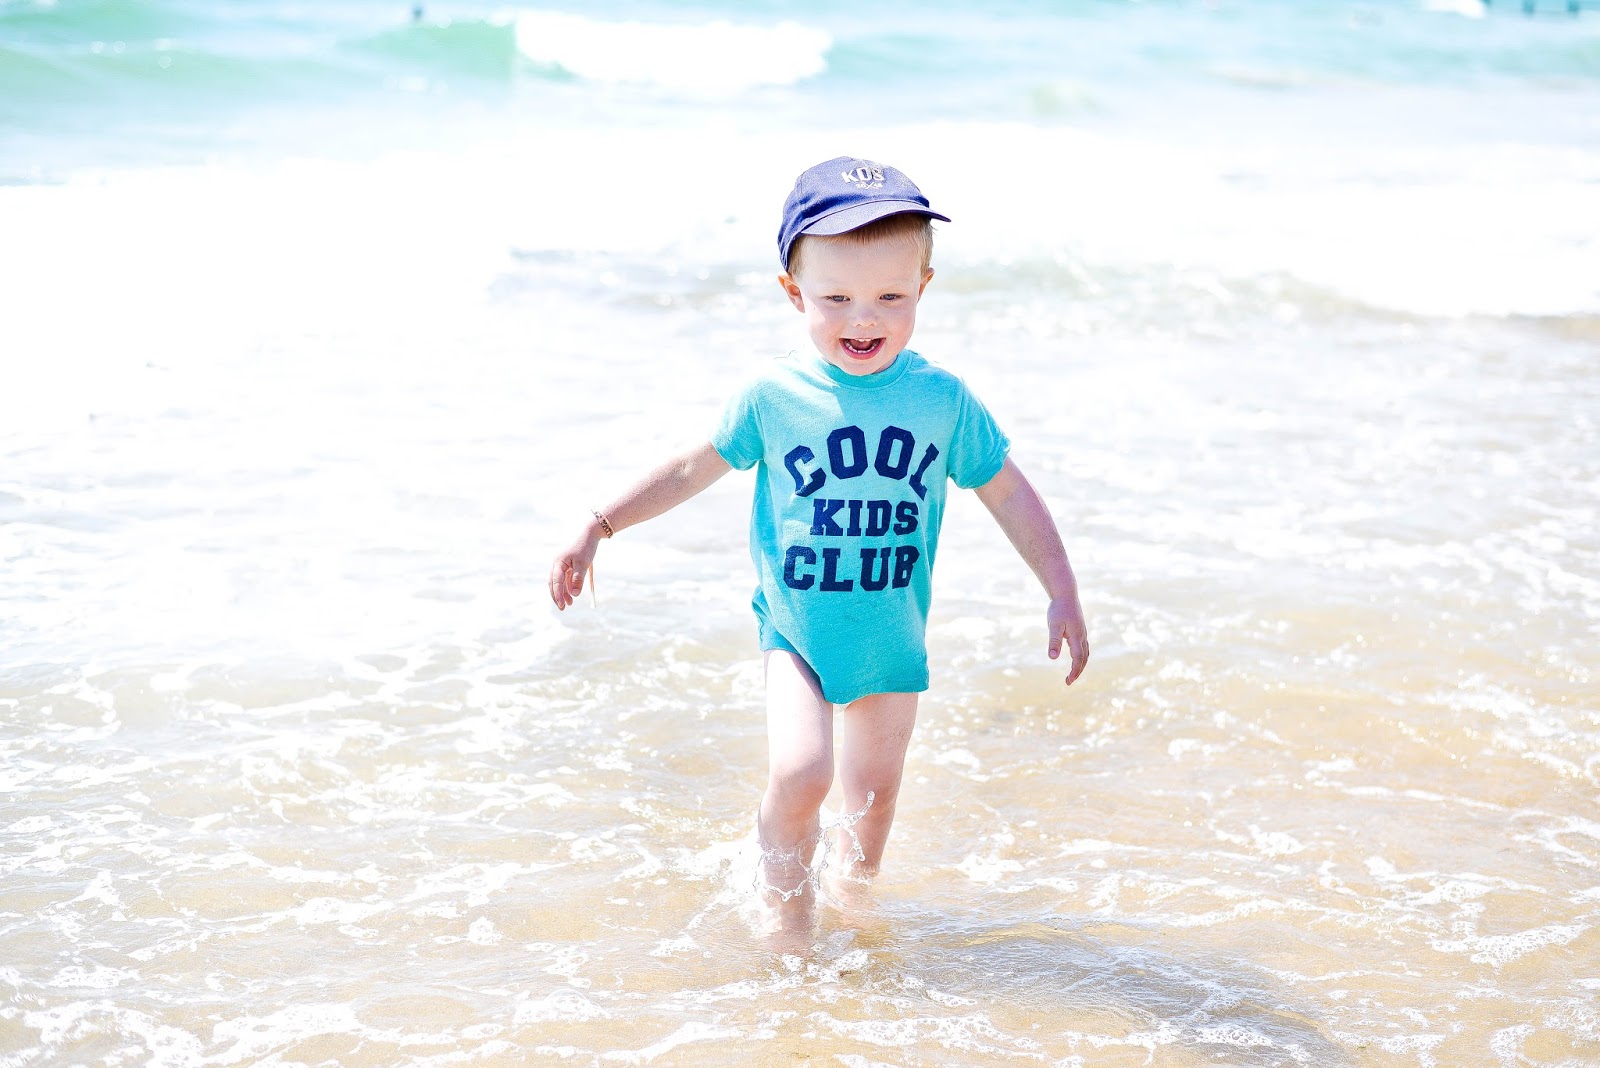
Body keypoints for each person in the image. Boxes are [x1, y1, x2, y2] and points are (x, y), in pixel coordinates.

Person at [549, 156, 1088, 939]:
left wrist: (1060, 586)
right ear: (793, 293)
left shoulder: (940, 401)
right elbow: (692, 466)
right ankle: (783, 918)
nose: (862, 319)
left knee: (870, 807)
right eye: (836, 298)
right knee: (804, 773)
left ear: (923, 291)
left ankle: (853, 914)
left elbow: (1006, 490)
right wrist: (600, 524)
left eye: (890, 298)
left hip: (892, 638)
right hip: (798, 631)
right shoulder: (774, 396)